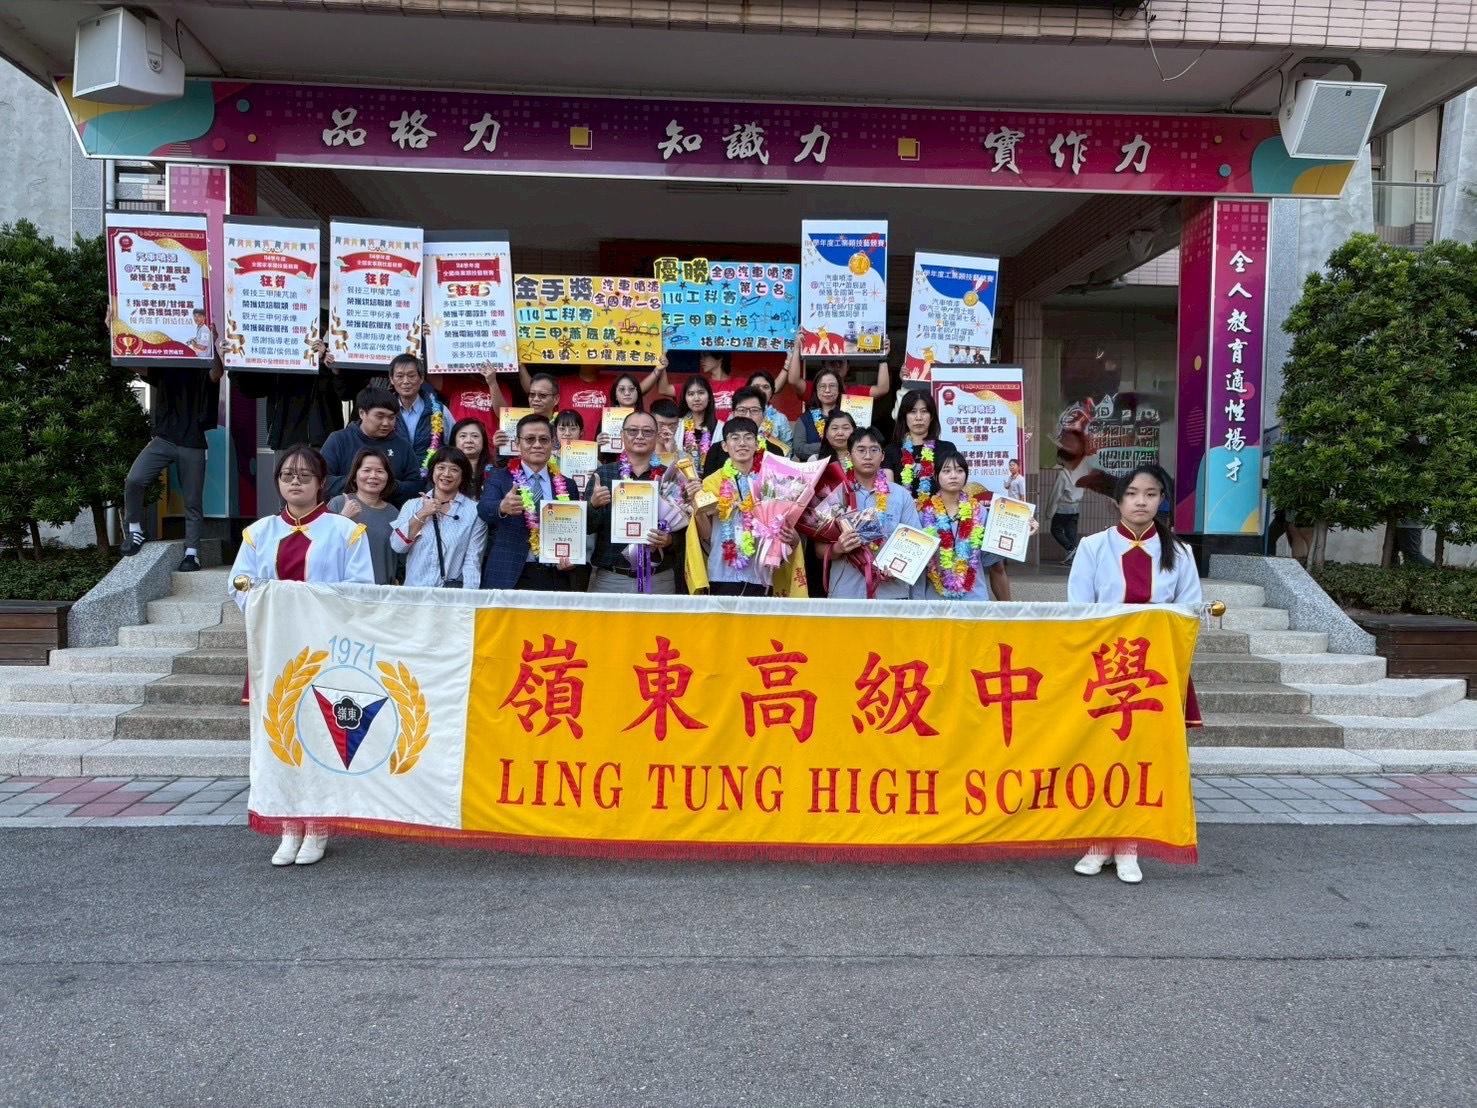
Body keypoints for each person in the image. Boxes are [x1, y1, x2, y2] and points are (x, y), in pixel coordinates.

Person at [229, 445, 374, 868]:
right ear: (277, 482)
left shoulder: (345, 532)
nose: (295, 482)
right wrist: (267, 597)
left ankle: (318, 824)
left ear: (321, 483)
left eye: (305, 476)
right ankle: (288, 824)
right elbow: (239, 584)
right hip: (275, 650)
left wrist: (308, 601)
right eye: (287, 475)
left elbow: (360, 591)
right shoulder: (258, 533)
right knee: (279, 736)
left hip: (326, 651)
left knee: (322, 737)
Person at [1068, 464, 1202, 886]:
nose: (1141, 501)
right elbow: (1078, 612)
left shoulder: (1181, 553)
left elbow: (1188, 612)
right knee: (1100, 755)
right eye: (1132, 493)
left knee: (1141, 758)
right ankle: (1098, 840)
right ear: (1118, 500)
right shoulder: (1093, 547)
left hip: (1153, 673)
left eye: (1151, 493)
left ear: (1162, 499)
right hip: (1105, 669)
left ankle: (1128, 844)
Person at [121, 360, 223, 571]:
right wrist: (120, 341)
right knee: (134, 479)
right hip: (164, 439)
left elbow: (216, 373)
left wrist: (213, 348)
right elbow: (136, 364)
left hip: (192, 441)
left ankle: (192, 553)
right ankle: (135, 530)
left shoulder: (202, 364)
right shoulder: (166, 361)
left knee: (192, 500)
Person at [585, 410, 698, 594]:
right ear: (622, 435)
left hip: (658, 579)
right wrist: (594, 505)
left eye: (647, 431)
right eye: (632, 431)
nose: (639, 436)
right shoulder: (603, 474)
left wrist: (669, 540)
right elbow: (587, 528)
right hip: (612, 579)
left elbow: (687, 531)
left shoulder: (669, 477)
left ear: (657, 436)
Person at [688, 417, 803, 597]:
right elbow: (706, 534)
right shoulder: (711, 483)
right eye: (735, 438)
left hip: (760, 571)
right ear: (724, 446)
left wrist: (791, 536)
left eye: (748, 437)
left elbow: (783, 525)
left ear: (757, 444)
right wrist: (696, 504)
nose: (742, 443)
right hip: (721, 571)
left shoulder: (771, 482)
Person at [478, 413, 583, 591]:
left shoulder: (568, 485)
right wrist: (502, 506)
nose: (537, 445)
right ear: (517, 444)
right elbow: (483, 509)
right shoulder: (499, 478)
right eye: (530, 439)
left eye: (544, 439)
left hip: (554, 575)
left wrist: (571, 557)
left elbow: (573, 530)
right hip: (508, 574)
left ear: (553, 443)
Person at [914, 452, 1036, 601]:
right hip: (934, 600)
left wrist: (1021, 530)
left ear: (966, 475)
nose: (953, 476)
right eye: (946, 471)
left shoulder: (980, 511)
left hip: (974, 598)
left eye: (959, 471)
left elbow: (993, 560)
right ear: (936, 476)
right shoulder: (923, 513)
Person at [817, 427, 921, 601]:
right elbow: (819, 550)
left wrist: (898, 568)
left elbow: (916, 542)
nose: (867, 456)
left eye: (874, 450)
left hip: (890, 593)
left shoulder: (901, 495)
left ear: (883, 456)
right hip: (846, 592)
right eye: (861, 450)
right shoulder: (835, 494)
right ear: (849, 456)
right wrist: (838, 548)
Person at [392, 448, 486, 589]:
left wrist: (468, 596)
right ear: (432, 471)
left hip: (450, 596)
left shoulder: (474, 511)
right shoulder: (412, 505)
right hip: (414, 593)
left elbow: (473, 561)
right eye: (441, 467)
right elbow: (398, 546)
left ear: (463, 475)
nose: (446, 474)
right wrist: (422, 513)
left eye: (454, 469)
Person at [320, 387, 423, 505]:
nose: (386, 423)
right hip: (344, 510)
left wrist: (389, 486)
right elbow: (322, 479)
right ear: (362, 413)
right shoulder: (339, 439)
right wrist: (361, 483)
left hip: (390, 512)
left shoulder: (403, 446)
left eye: (391, 417)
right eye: (380, 416)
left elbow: (416, 486)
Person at [327, 448, 399, 585]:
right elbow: (322, 546)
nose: (373, 475)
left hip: (382, 590)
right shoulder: (338, 503)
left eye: (380, 471)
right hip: (344, 589)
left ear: (388, 477)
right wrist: (344, 518)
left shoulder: (393, 513)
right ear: (354, 476)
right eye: (367, 470)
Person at [883, 390, 959, 501]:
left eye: (924, 411)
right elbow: (888, 492)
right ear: (904, 416)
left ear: (931, 416)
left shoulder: (947, 449)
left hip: (939, 510)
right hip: (902, 510)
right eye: (913, 412)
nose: (918, 417)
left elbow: (953, 487)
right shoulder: (891, 450)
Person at [386, 354, 453, 475]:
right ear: (391, 379)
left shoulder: (439, 410)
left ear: (421, 378)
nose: (405, 381)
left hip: (431, 480)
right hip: (393, 480)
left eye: (411, 376)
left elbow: (454, 445)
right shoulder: (384, 411)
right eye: (399, 376)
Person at [700, 387, 790, 476]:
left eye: (754, 410)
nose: (748, 416)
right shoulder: (716, 450)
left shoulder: (775, 452)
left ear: (763, 415)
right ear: (733, 414)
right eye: (742, 410)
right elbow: (708, 484)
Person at [676, 375, 719, 474]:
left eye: (701, 393)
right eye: (691, 394)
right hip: (681, 481)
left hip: (711, 481)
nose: (696, 398)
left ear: (709, 397)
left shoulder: (720, 427)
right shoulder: (677, 426)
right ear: (685, 398)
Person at [596, 373, 647, 453]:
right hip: (611, 460)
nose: (627, 393)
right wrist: (598, 444)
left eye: (631, 389)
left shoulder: (647, 419)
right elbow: (598, 456)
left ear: (638, 393)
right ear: (615, 395)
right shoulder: (606, 419)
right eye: (622, 389)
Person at [745, 370, 794, 450]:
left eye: (765, 387)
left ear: (772, 392)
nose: (760, 390)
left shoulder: (780, 419)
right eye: (756, 387)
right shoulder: (738, 414)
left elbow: (788, 449)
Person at [449, 417, 494, 498]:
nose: (469, 440)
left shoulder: (494, 471)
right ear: (454, 440)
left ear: (484, 441)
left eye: (475, 436)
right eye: (463, 436)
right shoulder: (444, 470)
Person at [650, 397, 682, 462]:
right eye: (661, 425)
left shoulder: (685, 458)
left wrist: (673, 452)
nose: (666, 431)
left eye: (672, 425)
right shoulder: (641, 455)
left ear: (678, 424)